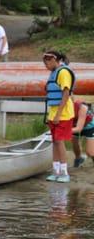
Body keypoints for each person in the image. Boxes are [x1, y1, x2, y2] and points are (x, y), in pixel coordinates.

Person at [43, 50, 75, 183]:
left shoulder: (63, 72)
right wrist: (52, 115)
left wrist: (58, 114)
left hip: (63, 114)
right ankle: (55, 171)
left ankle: (64, 172)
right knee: (55, 142)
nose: (46, 66)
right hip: (53, 113)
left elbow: (66, 93)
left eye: (47, 63)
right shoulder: (53, 73)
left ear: (54, 60)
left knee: (60, 141)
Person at [70, 100, 94, 167]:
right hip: (75, 125)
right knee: (74, 143)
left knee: (90, 152)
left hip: (89, 126)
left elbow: (78, 129)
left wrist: (63, 131)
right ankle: (78, 158)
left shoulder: (82, 107)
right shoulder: (63, 108)